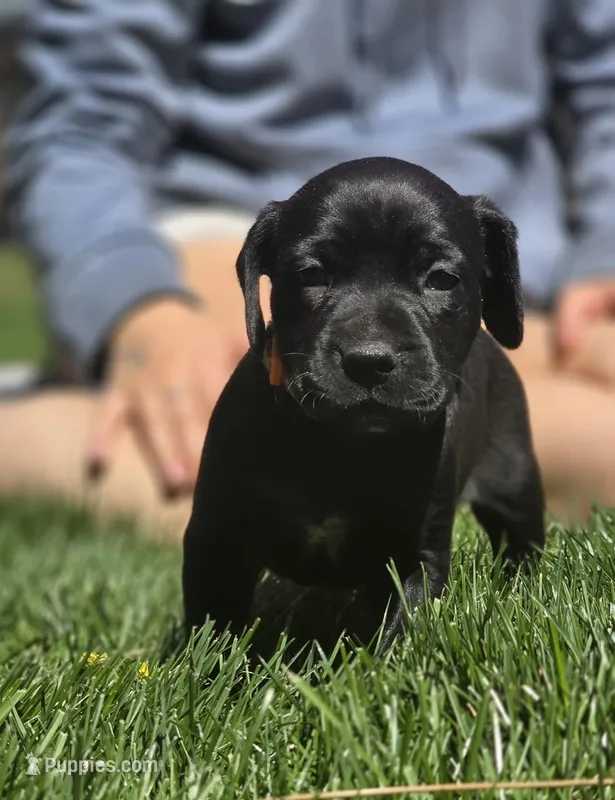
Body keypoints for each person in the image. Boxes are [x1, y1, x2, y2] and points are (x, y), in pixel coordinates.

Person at [2, 0, 615, 538]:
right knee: (231, 431)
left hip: (478, 266)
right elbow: (81, 122)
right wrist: (135, 302)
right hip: (241, 236)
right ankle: (34, 436)